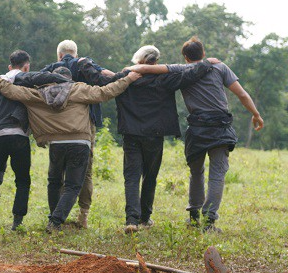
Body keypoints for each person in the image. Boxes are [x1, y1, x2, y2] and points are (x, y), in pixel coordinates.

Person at [80, 45, 215, 233]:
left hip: (131, 133)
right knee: (150, 177)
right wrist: (207, 63)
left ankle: (131, 220)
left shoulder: (126, 78)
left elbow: (99, 79)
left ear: (138, 59)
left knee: (132, 177)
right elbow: (190, 75)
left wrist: (84, 63)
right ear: (156, 61)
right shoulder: (165, 79)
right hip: (155, 133)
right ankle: (145, 218)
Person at [0, 65, 141, 232]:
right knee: (72, 186)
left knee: (54, 182)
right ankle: (55, 222)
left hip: (56, 145)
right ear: (69, 78)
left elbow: (15, 92)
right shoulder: (78, 89)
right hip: (79, 143)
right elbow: (106, 92)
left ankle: (53, 218)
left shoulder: (40, 93)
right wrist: (128, 79)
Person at [167, 37, 264, 233]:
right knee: (217, 175)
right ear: (203, 54)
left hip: (197, 129)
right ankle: (209, 222)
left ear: (186, 57)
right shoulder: (219, 68)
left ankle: (193, 216)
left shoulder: (182, 70)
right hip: (220, 127)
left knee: (196, 172)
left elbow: (153, 70)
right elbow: (243, 95)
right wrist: (256, 114)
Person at [0, 50, 68, 230]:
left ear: (10, 67)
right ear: (26, 66)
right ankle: (17, 222)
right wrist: (71, 82)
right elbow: (46, 77)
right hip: (18, 135)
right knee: (23, 180)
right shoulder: (27, 79)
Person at [39, 40, 115, 229]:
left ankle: (56, 214)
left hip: (58, 124)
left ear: (59, 55)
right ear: (76, 53)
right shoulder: (85, 64)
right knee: (85, 171)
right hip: (85, 124)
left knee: (56, 172)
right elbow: (105, 76)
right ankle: (83, 215)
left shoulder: (51, 69)